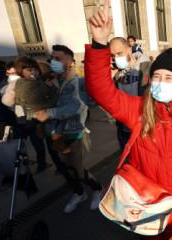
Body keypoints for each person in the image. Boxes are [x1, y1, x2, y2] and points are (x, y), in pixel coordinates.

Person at [86, 1, 172, 237]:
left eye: (168, 77)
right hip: (144, 204)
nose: (160, 82)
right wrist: (99, 44)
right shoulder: (139, 109)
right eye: (157, 76)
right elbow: (100, 90)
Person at [33, 44, 103, 213]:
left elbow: (77, 107)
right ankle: (79, 193)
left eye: (58, 59)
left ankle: (97, 188)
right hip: (52, 134)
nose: (54, 62)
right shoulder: (48, 80)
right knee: (63, 170)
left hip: (72, 134)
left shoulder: (79, 82)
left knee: (77, 171)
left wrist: (48, 113)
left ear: (70, 62)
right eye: (52, 58)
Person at [1, 56, 69, 153]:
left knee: (38, 142)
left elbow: (41, 78)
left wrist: (50, 74)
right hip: (28, 119)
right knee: (29, 142)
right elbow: (33, 97)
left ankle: (42, 160)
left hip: (32, 118)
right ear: (21, 72)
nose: (34, 72)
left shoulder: (32, 80)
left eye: (36, 69)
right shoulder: (22, 84)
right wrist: (45, 87)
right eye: (30, 70)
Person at [110, 37, 151, 150]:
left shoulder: (146, 67)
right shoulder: (115, 71)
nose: (116, 58)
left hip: (143, 127)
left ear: (129, 50)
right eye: (113, 55)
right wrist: (108, 79)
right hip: (124, 128)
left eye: (119, 53)